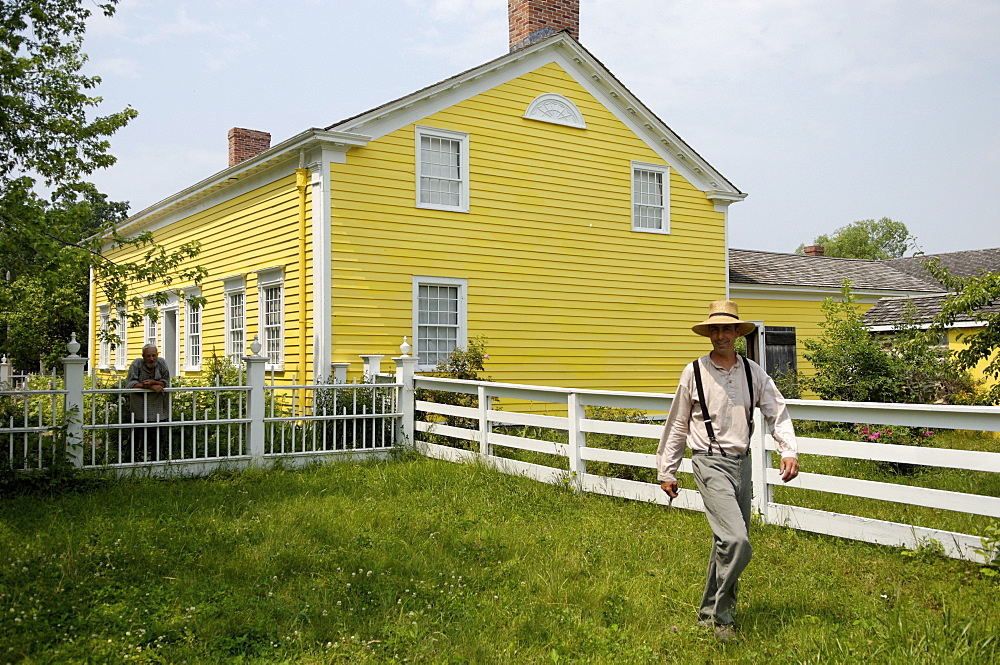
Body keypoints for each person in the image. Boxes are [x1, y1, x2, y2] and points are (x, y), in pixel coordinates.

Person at [656, 300, 799, 643]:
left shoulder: (753, 372)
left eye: (727, 329)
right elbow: (677, 423)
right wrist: (668, 470)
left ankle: (708, 614)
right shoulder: (694, 372)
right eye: (714, 329)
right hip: (708, 461)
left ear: (737, 332)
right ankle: (723, 619)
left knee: (725, 543)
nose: (720, 335)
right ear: (708, 334)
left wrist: (788, 450)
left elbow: (776, 412)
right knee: (737, 541)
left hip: (742, 464)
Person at [124, 344, 171, 462]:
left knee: (159, 438)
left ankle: (158, 462)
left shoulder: (161, 364)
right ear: (143, 356)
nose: (151, 359)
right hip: (140, 408)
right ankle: (131, 462)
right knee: (136, 438)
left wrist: (153, 382)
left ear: (157, 355)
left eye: (154, 355)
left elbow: (166, 382)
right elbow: (130, 384)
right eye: (148, 356)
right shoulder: (137, 364)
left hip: (159, 408)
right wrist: (151, 386)